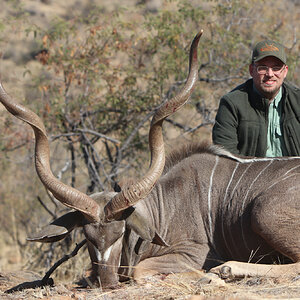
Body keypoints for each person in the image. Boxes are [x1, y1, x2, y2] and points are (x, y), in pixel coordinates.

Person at [212, 40, 300, 157]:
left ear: (285, 71)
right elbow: (226, 156)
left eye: (276, 68)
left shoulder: (297, 100)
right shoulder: (231, 104)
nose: (270, 74)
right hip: (251, 174)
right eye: (262, 68)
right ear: (251, 70)